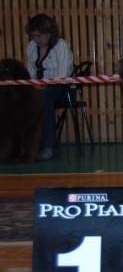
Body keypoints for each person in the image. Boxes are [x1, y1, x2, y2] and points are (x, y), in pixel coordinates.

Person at [26, 14, 74, 161]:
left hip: (63, 88)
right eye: (33, 36)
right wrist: (35, 86)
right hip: (40, 88)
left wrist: (42, 87)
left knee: (44, 98)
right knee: (22, 99)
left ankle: (49, 147)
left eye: (39, 36)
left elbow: (62, 76)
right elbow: (30, 73)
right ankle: (28, 145)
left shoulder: (61, 46)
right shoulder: (31, 47)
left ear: (49, 33)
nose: (36, 40)